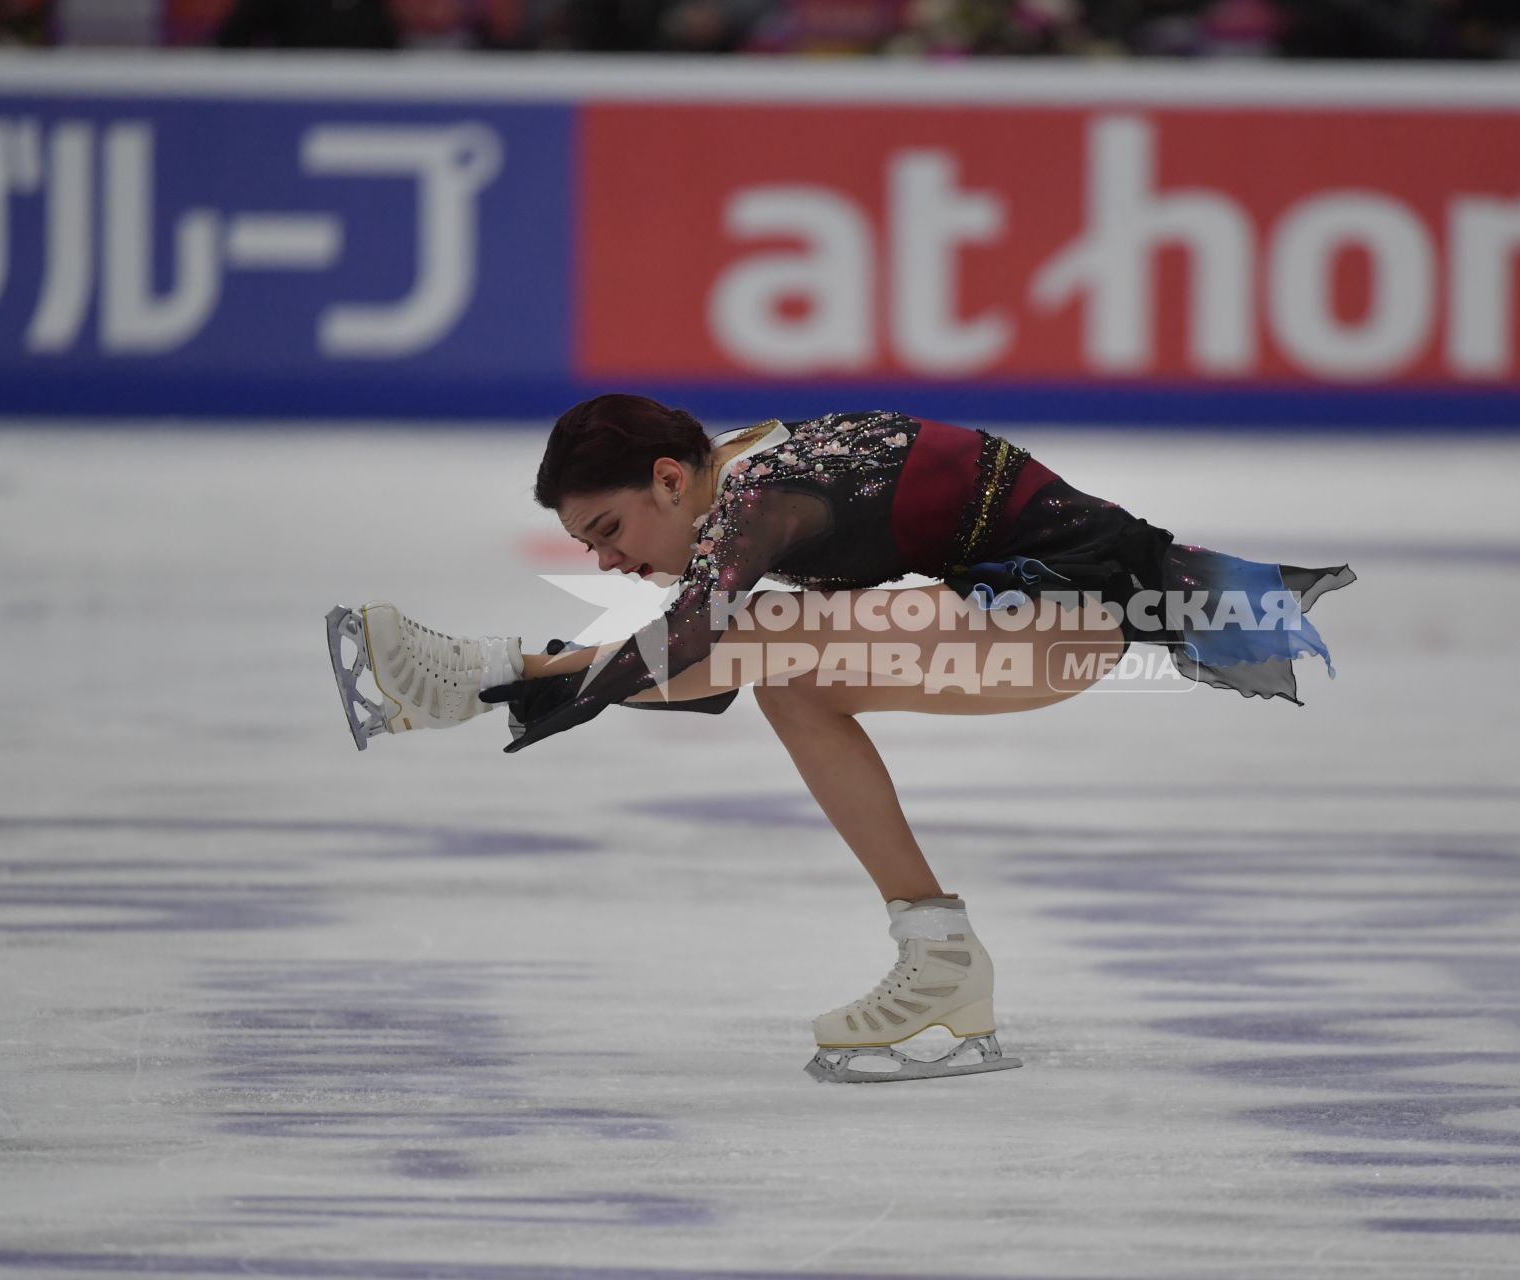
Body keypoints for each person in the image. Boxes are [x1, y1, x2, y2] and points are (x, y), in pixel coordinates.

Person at [325, 396, 1355, 1083]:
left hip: (1070, 617)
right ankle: (937, 948)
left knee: (762, 635)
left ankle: (470, 676)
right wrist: (544, 683)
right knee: (794, 685)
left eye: (608, 531)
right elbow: (694, 663)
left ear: (670, 479)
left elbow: (696, 635)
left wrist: (516, 674)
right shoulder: (745, 480)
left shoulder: (760, 502)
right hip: (1028, 618)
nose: (613, 559)